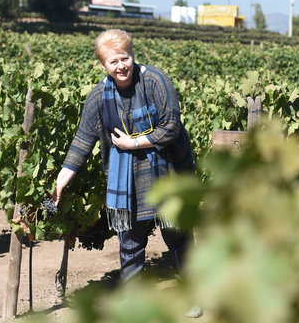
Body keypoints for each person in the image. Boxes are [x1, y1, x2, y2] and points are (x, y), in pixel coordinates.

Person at [51, 28, 195, 283]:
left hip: (167, 172)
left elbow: (171, 126)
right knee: (130, 240)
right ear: (103, 64)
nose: (121, 66)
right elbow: (83, 139)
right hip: (128, 179)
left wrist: (134, 143)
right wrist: (62, 179)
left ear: (132, 54)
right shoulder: (98, 96)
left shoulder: (154, 80)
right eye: (113, 61)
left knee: (177, 234)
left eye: (125, 58)